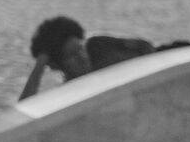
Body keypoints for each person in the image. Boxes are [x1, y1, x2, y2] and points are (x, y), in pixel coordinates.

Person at [18, 16, 164, 100]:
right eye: (72, 56)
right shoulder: (68, 96)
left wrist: (154, 80)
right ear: (57, 65)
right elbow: (23, 111)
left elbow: (144, 46)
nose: (82, 57)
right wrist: (40, 65)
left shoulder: (99, 45)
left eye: (80, 49)